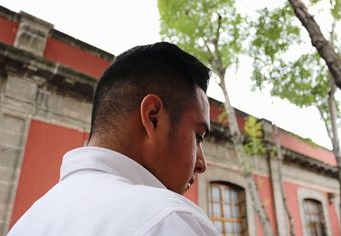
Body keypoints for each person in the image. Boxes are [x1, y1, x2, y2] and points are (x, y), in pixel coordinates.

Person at [8, 42, 220, 236]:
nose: (202, 164)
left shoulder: (26, 223)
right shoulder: (170, 219)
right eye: (198, 136)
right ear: (153, 118)